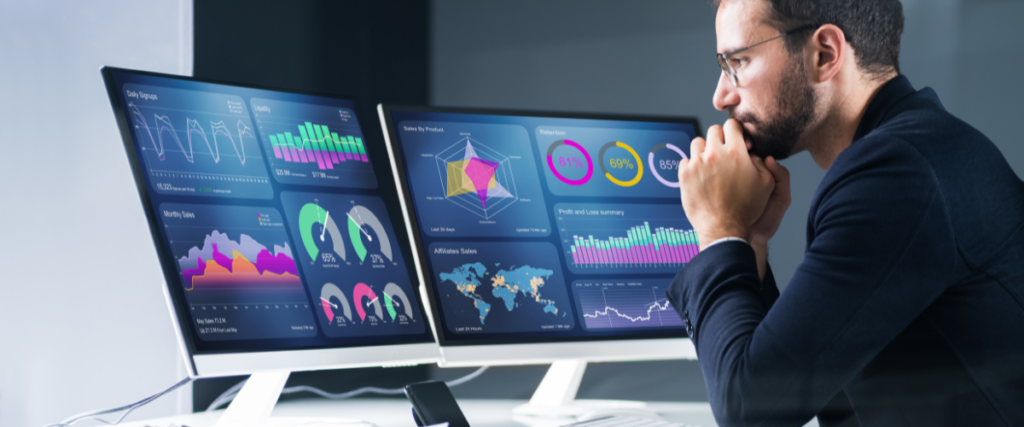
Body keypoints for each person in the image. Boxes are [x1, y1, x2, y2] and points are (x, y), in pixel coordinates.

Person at [666, 0, 1024, 426]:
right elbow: (814, 385)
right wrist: (748, 239)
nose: (721, 95)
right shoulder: (919, 151)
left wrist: (717, 229)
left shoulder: (895, 176)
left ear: (825, 55)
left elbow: (749, 411)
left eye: (737, 62)